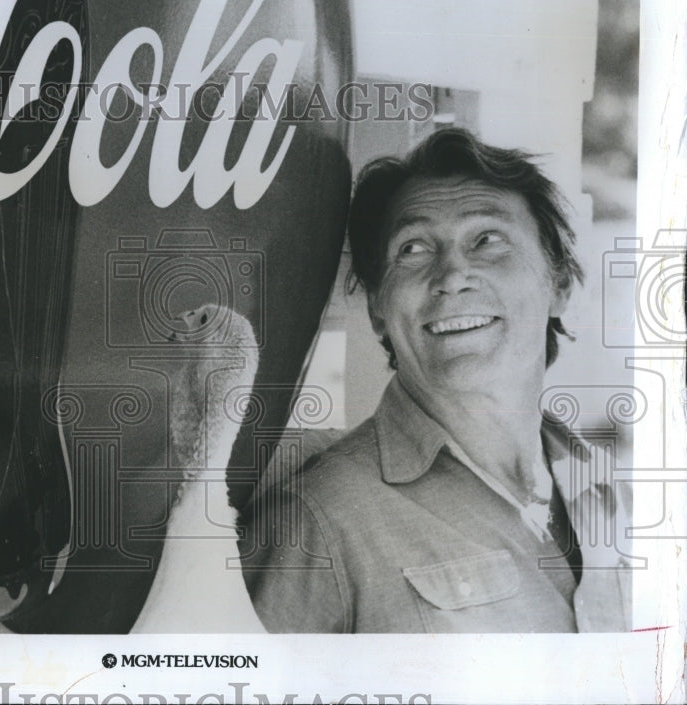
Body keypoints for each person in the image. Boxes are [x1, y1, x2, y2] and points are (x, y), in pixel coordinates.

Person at [239, 127, 631, 633]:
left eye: (487, 240)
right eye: (413, 249)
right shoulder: (315, 523)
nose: (451, 275)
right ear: (379, 311)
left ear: (560, 286)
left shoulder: (607, 490)